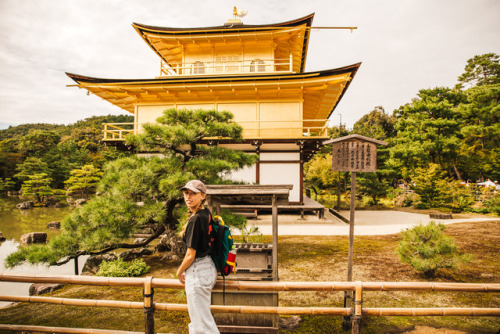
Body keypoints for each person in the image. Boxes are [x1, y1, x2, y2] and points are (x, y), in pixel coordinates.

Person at [176, 180, 220, 334]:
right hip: (208, 267)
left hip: (197, 270)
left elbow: (190, 255)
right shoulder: (205, 213)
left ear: (203, 196)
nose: (188, 197)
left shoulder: (195, 219)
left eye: (193, 193)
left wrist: (179, 271)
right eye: (186, 193)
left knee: (203, 326)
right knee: (197, 323)